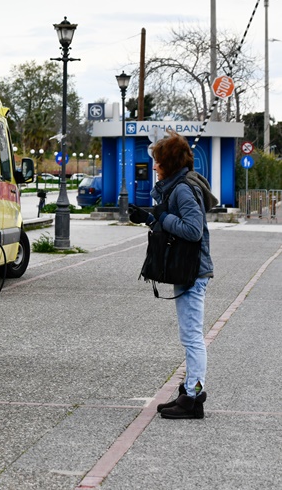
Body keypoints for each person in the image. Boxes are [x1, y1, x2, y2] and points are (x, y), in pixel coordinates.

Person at [129, 131, 215, 419]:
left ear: (169, 162)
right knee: (189, 335)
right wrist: (150, 217)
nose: (154, 166)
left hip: (193, 272)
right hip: (187, 270)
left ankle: (194, 397)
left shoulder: (182, 189)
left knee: (192, 337)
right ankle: (190, 389)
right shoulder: (177, 187)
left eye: (158, 161)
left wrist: (161, 218)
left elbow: (193, 230)